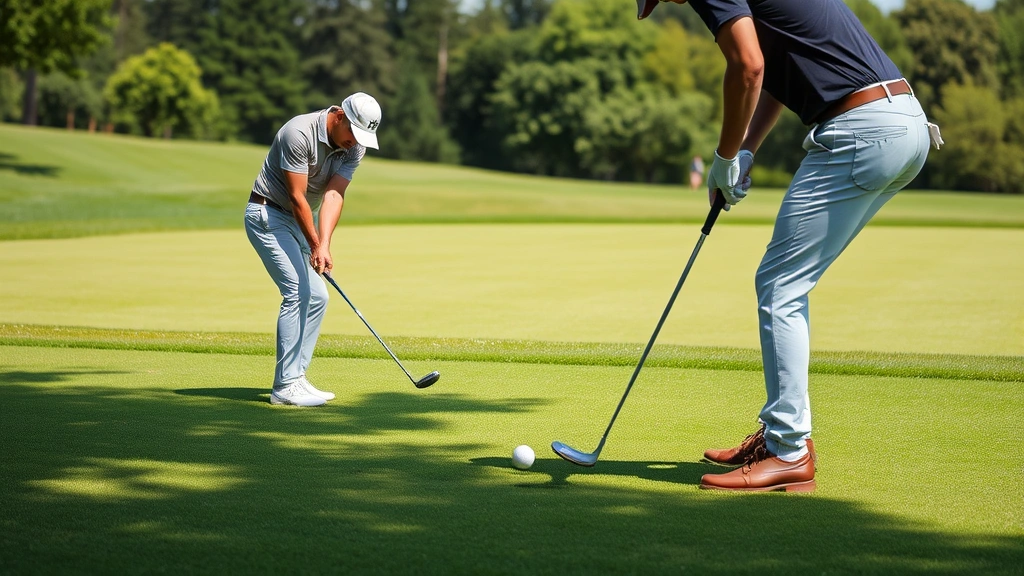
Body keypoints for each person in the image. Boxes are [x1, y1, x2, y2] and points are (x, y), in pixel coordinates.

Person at [638, 0, 941, 491]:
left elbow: (748, 67)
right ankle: (783, 435)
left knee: (780, 286)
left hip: (861, 128)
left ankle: (788, 450)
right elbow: (776, 70)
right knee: (786, 283)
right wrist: (746, 150)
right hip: (902, 122)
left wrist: (723, 156)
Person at [245, 92, 382, 407]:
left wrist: (324, 245)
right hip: (267, 213)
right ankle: (284, 387)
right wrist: (315, 244)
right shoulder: (299, 132)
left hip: (296, 220)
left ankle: (297, 377)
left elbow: (333, 195)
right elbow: (297, 197)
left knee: (318, 296)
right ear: (340, 116)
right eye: (353, 132)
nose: (355, 142)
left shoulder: (354, 147)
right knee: (296, 292)